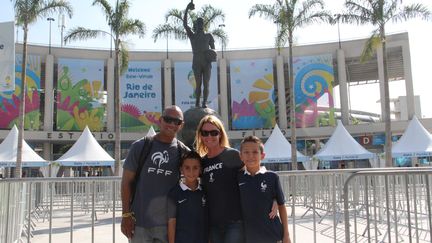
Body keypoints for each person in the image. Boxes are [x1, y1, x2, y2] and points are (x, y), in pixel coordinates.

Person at [121, 105, 190, 243]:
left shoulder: (183, 152)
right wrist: (126, 214)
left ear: (181, 125)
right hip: (139, 223)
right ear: (160, 120)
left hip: (168, 225)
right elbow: (126, 182)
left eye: (176, 121)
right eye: (168, 119)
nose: (171, 124)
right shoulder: (140, 146)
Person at [195, 115, 244, 243]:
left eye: (214, 132)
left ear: (220, 134)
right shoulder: (202, 162)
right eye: (205, 133)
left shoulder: (233, 155)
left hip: (234, 222)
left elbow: (255, 174)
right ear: (200, 135)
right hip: (213, 225)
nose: (209, 137)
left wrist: (273, 198)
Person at [238, 136, 291, 243]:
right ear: (241, 156)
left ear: (262, 155)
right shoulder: (237, 178)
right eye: (246, 152)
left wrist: (286, 234)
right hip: (249, 237)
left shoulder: (272, 177)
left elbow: (281, 206)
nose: (250, 156)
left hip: (273, 236)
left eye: (255, 152)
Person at [167, 151, 208, 243]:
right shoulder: (174, 193)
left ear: (200, 169)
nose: (191, 172)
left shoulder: (205, 191)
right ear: (181, 169)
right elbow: (171, 223)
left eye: (195, 168)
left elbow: (207, 221)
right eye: (187, 168)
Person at [183, 1, 216, 108]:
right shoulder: (192, 36)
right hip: (196, 61)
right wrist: (187, 9)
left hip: (206, 62)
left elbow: (214, 49)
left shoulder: (208, 36)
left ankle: (204, 103)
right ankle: (197, 102)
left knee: (206, 84)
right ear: (196, 25)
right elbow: (185, 24)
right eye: (198, 23)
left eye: (202, 23)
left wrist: (212, 55)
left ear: (203, 25)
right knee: (198, 85)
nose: (200, 25)